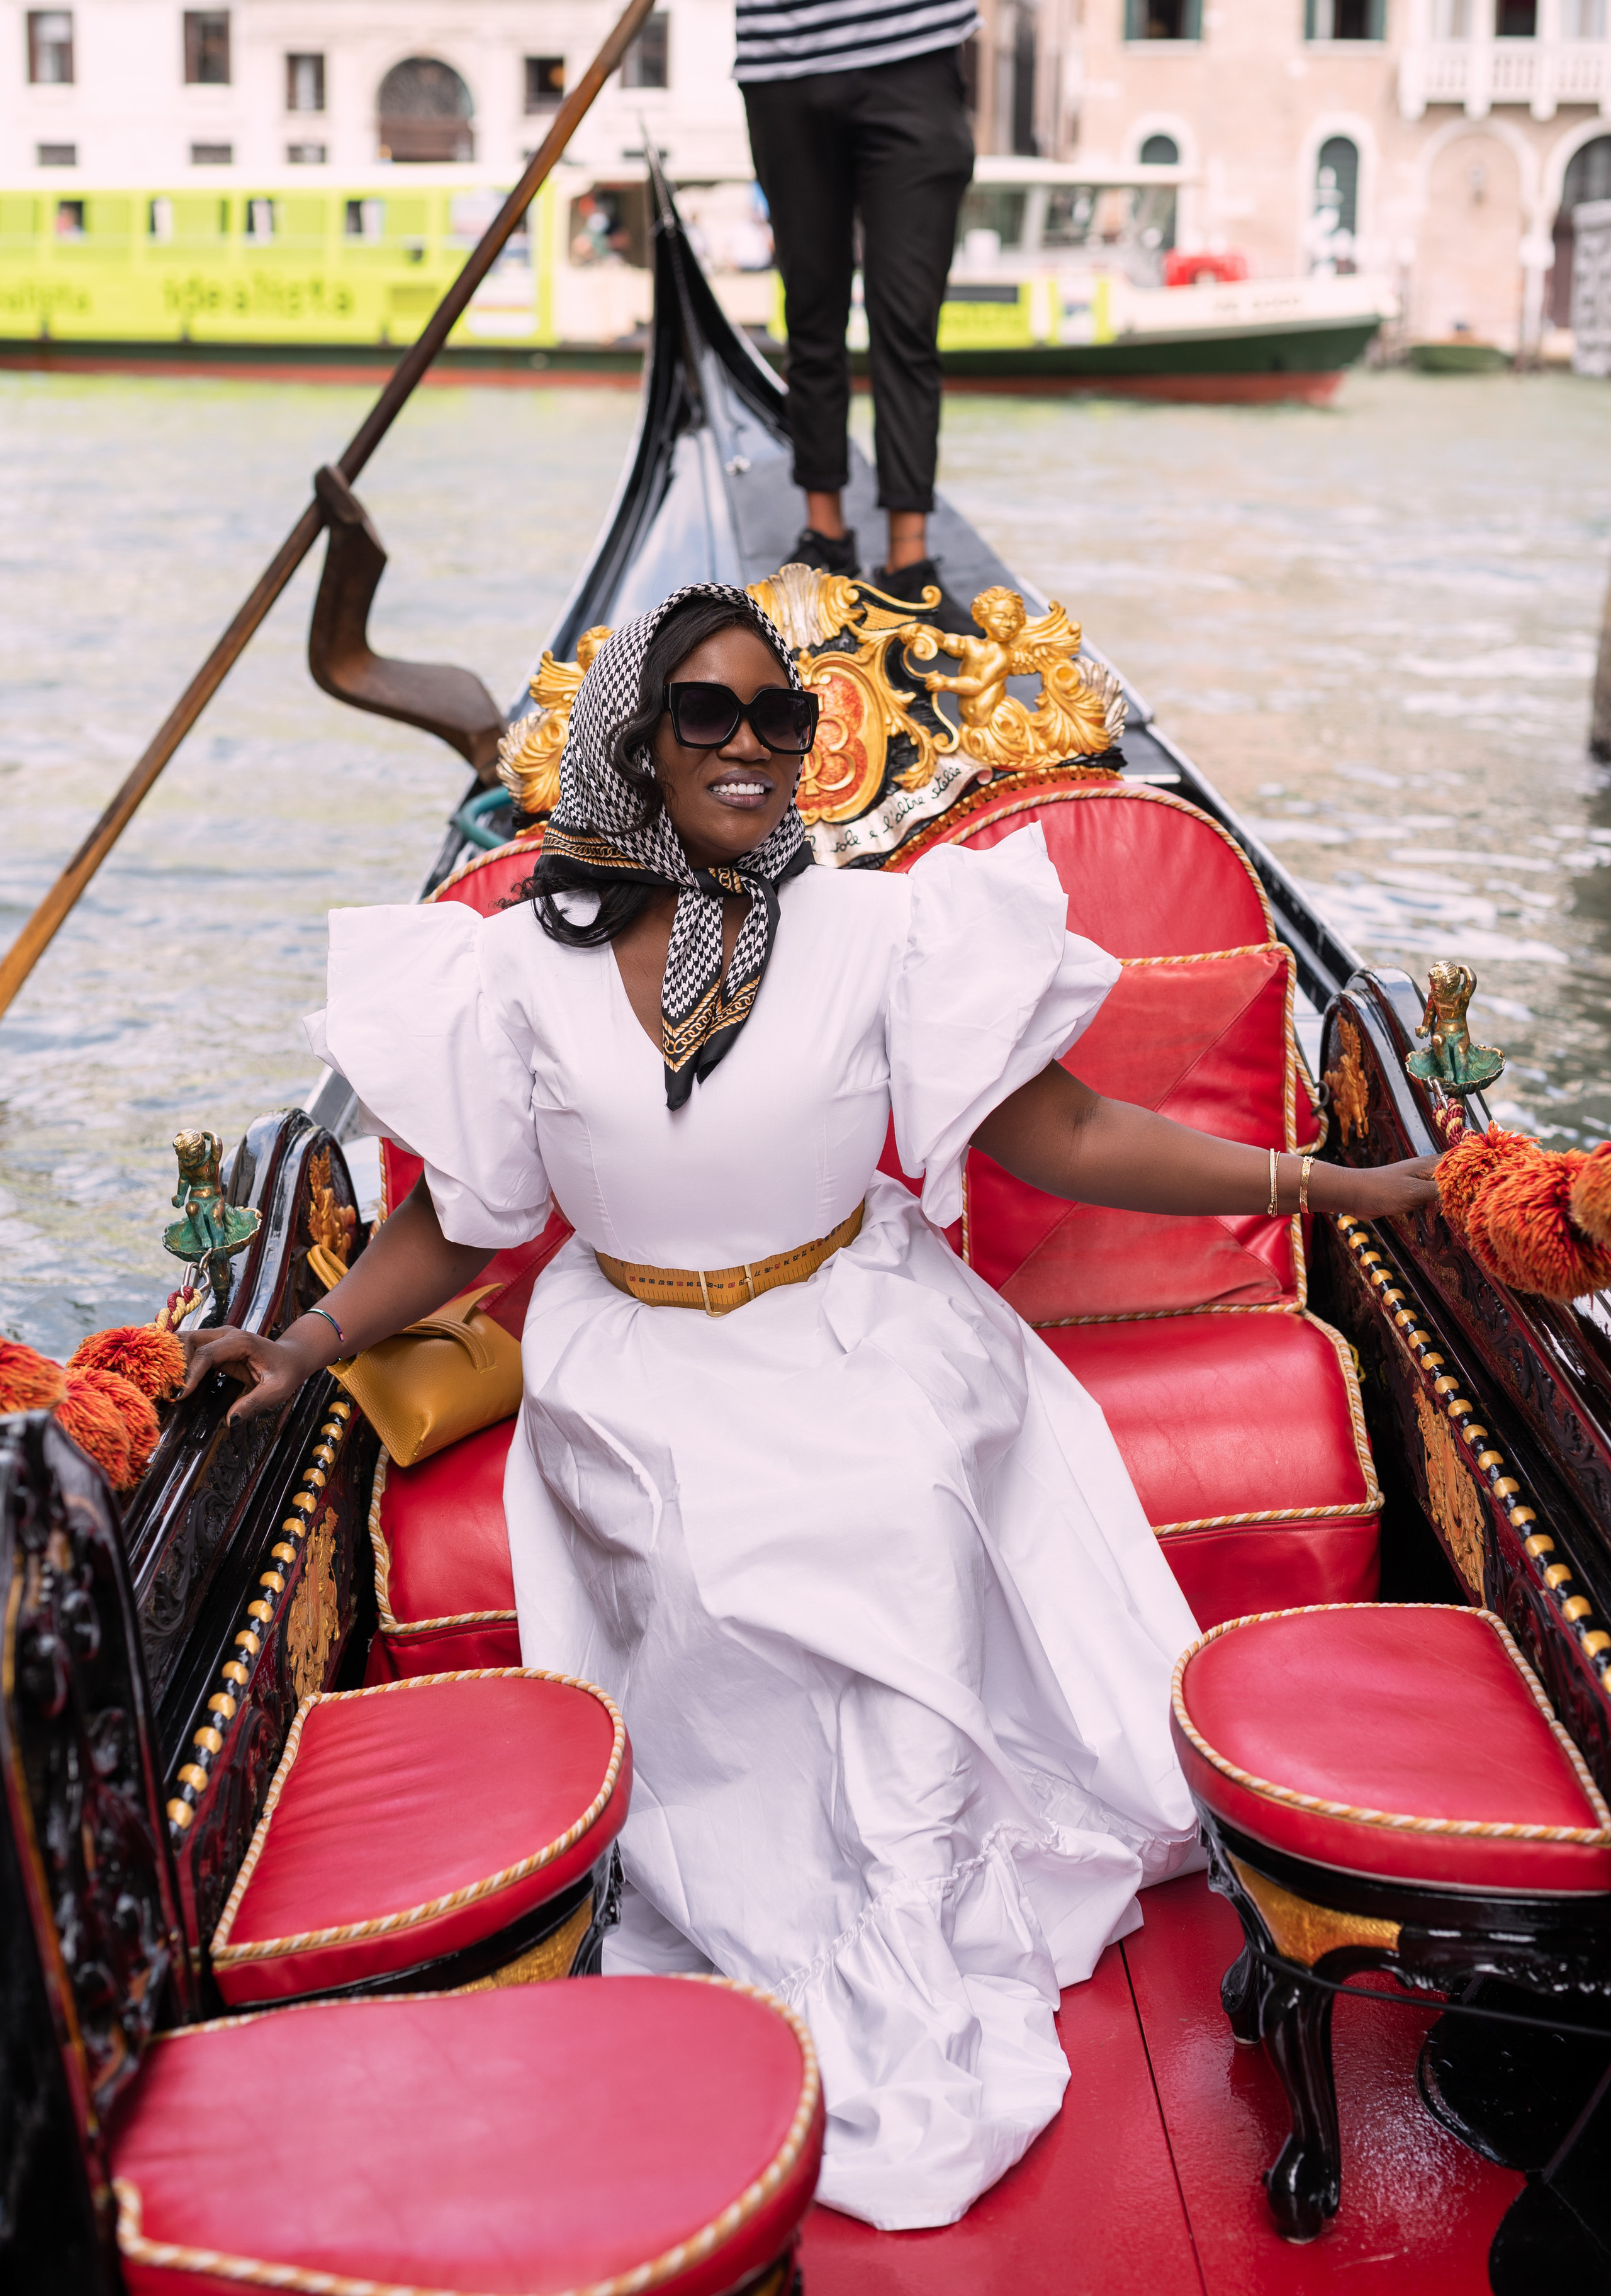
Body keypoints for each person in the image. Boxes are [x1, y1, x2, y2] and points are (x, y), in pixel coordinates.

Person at [185, 583, 1439, 2232]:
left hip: (865, 1325)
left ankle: (909, 1940)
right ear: (636, 743)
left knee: (896, 1502)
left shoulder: (877, 932)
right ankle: (785, 1916)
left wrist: (1330, 1184)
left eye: (781, 718)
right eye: (706, 715)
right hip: (634, 1366)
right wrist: (305, 1338)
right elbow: (467, 1220)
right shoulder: (516, 971)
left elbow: (1064, 1136)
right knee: (717, 1558)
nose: (752, 748)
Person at [649, 0, 980, 623]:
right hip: (786, 68)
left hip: (915, 55)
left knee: (906, 317)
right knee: (812, 308)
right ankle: (824, 536)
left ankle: (908, 558)